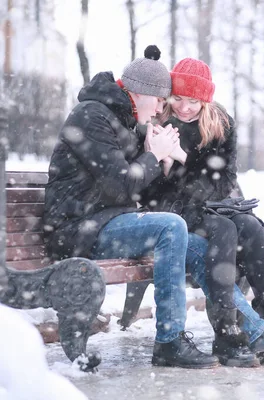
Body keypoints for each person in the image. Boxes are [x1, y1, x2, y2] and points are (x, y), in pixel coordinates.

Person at [44, 45, 220, 369]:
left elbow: (138, 185)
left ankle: (240, 331)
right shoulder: (92, 116)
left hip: (106, 221)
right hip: (77, 229)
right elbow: (121, 184)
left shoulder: (125, 119)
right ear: (142, 93)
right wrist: (152, 155)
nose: (158, 111)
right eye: (159, 102)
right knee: (171, 227)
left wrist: (165, 158)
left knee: (199, 247)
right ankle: (169, 341)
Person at [141, 57, 264, 362]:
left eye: (193, 101)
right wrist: (170, 164)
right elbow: (154, 188)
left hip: (212, 205)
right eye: (178, 98)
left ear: (206, 99)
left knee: (251, 227)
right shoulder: (159, 123)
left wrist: (181, 157)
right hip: (173, 212)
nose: (184, 107)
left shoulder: (219, 124)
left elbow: (223, 184)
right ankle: (227, 333)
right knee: (224, 229)